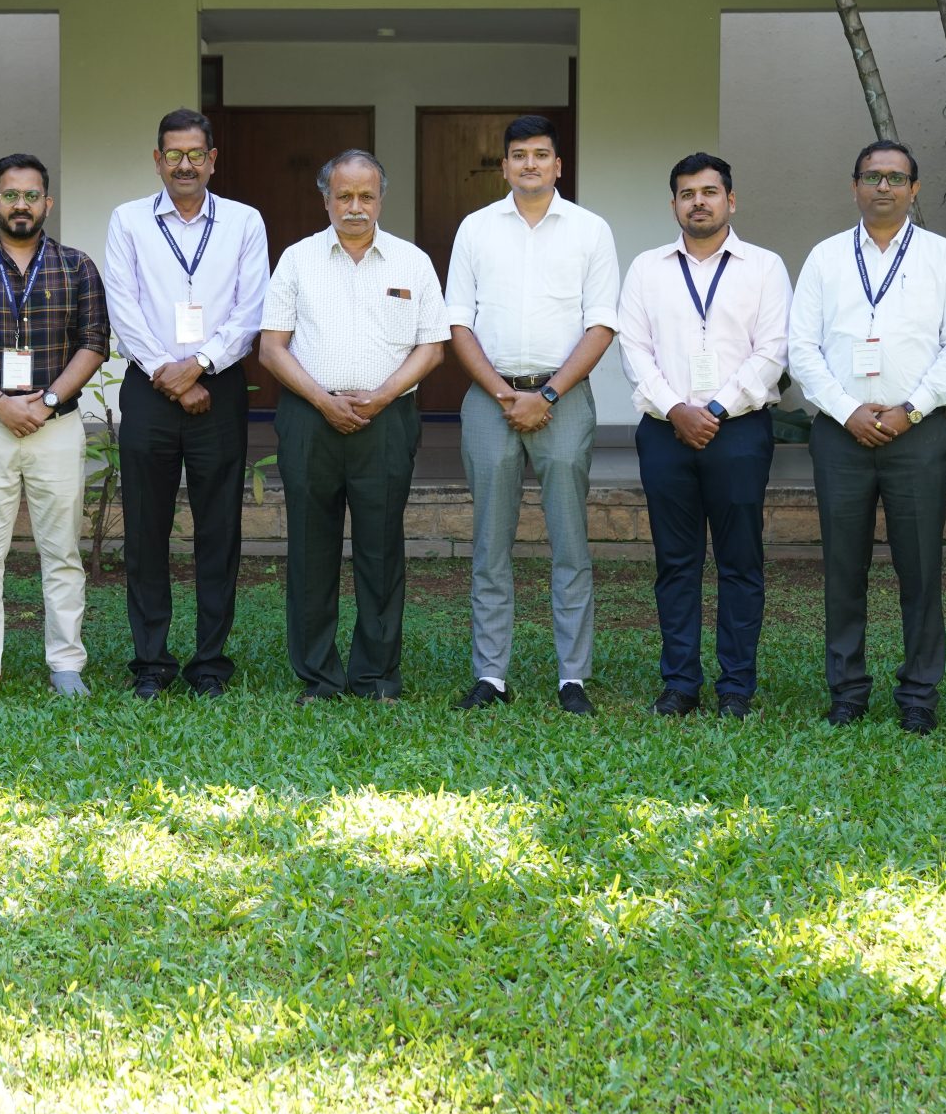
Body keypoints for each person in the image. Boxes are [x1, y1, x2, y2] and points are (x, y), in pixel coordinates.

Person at [788, 141, 946, 734]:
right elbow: (802, 350)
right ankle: (847, 688)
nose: (884, 186)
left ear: (914, 189)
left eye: (897, 177)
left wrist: (911, 409)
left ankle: (919, 691)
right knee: (844, 567)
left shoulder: (941, 257)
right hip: (840, 435)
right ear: (855, 186)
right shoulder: (825, 258)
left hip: (917, 433)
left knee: (920, 568)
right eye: (872, 176)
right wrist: (847, 412)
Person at [443, 115, 621, 715]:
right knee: (490, 543)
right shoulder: (475, 229)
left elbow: (601, 324)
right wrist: (502, 393)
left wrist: (544, 397)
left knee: (570, 542)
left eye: (541, 155)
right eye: (518, 155)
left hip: (563, 399)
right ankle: (490, 675)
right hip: (489, 400)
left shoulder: (590, 231)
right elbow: (458, 322)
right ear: (504, 166)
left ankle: (573, 676)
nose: (529, 164)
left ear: (558, 166)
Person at [257, 149, 448, 703]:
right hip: (309, 418)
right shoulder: (297, 259)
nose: (356, 207)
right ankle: (318, 675)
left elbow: (432, 347)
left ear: (381, 199)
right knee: (310, 550)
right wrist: (322, 400)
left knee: (381, 548)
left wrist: (381, 397)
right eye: (344, 196)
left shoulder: (411, 262)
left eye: (366, 196)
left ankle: (375, 675)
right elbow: (272, 348)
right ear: (327, 199)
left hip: (386, 421)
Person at [614, 152, 790, 719]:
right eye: (687, 193)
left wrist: (713, 408)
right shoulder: (646, 268)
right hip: (666, 433)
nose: (699, 202)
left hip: (738, 432)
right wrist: (676, 409)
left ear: (730, 200)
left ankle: (737, 686)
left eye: (710, 192)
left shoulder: (764, 267)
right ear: (673, 205)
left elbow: (773, 351)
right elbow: (633, 349)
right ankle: (680, 683)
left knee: (741, 560)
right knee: (676, 561)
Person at [101, 109, 269, 700]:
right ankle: (151, 662)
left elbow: (252, 310)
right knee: (146, 529)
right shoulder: (128, 221)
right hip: (148, 387)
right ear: (157, 160)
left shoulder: (245, 223)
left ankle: (210, 662)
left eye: (196, 154)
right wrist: (168, 374)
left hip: (218, 387)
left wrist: (199, 366)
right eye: (173, 155)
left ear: (213, 159)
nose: (185, 165)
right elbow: (122, 306)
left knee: (218, 527)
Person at [0, 153, 109, 699]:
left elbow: (94, 343)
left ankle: (66, 664)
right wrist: (0, 402)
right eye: (10, 195)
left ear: (46, 204)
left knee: (62, 551)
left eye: (31, 196)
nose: (21, 205)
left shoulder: (77, 266)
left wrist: (50, 399)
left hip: (56, 427)